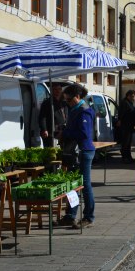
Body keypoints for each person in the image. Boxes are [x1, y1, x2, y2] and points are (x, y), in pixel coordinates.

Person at [58, 84, 96, 229]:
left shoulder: (84, 111)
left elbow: (84, 134)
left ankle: (88, 217)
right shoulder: (74, 109)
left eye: (69, 100)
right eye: (66, 100)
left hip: (83, 151)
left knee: (85, 185)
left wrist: (66, 133)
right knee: (72, 185)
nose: (67, 102)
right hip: (74, 152)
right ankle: (70, 215)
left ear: (78, 97)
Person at [39, 83, 68, 149]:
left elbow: (67, 115)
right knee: (51, 150)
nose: (57, 91)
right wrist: (44, 129)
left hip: (63, 130)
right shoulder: (47, 102)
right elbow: (42, 117)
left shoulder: (64, 102)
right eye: (55, 89)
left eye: (59, 89)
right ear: (51, 90)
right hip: (51, 131)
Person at [117, 90, 135, 163]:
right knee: (125, 142)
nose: (134, 98)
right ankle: (125, 158)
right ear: (128, 96)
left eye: (134, 96)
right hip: (126, 126)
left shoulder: (129, 103)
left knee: (128, 142)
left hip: (129, 126)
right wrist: (119, 120)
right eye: (133, 96)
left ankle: (129, 157)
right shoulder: (124, 103)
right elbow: (121, 113)